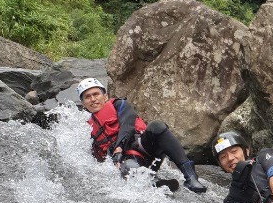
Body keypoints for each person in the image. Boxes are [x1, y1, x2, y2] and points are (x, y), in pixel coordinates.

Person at [77, 78, 206, 193]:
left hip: (144, 149)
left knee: (157, 126)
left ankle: (191, 178)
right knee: (128, 165)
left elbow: (128, 124)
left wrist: (119, 148)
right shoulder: (86, 129)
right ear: (83, 104)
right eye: (87, 97)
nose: (93, 99)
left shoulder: (119, 105)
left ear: (105, 96)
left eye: (96, 94)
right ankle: (154, 184)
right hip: (125, 164)